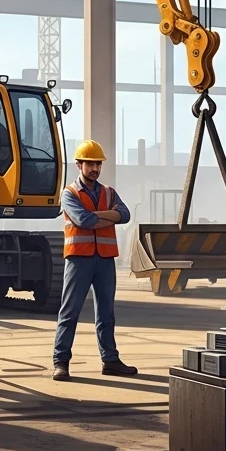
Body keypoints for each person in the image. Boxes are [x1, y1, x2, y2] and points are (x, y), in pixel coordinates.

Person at [52, 140, 137, 381]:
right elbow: (82, 220)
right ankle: (61, 361)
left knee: (106, 313)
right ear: (79, 165)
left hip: (105, 260)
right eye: (90, 163)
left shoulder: (109, 192)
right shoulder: (69, 194)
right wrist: (109, 216)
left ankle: (110, 360)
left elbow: (126, 215)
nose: (95, 168)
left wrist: (97, 216)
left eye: (98, 164)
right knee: (69, 312)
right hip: (79, 259)